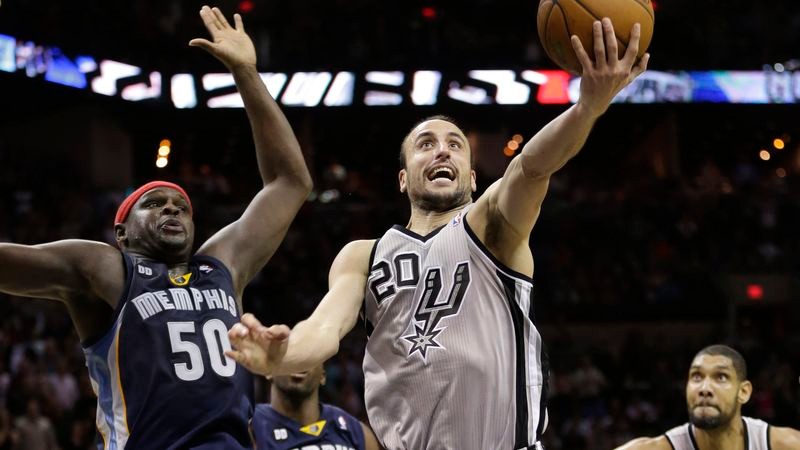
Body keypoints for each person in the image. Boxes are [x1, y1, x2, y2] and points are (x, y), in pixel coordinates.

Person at [228, 18, 648, 450]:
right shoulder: (363, 255)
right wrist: (280, 356)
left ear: (472, 177)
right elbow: (323, 329)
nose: (442, 149)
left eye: (455, 144)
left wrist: (586, 108)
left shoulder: (492, 225)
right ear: (403, 179)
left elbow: (532, 166)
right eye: (425, 144)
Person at [0, 5, 312, 449]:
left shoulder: (220, 265)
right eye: (154, 204)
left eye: (182, 207)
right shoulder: (107, 268)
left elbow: (290, 183)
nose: (172, 209)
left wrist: (245, 73)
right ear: (122, 233)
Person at [614, 345, 800, 450]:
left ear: (744, 392)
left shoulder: (784, 445)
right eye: (696, 377)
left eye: (721, 377)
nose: (704, 388)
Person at [251, 365, 381, 450]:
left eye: (309, 356)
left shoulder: (358, 432)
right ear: (269, 372)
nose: (300, 362)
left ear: (323, 375)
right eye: (290, 355)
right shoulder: (251, 427)